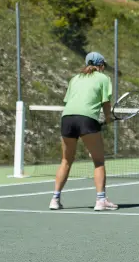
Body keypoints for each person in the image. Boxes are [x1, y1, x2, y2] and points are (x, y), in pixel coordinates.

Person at [49, 51, 118, 211]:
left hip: (67, 119)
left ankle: (55, 199)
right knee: (98, 161)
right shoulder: (103, 78)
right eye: (103, 65)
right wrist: (108, 117)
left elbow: (71, 101)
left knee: (66, 160)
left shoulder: (75, 78)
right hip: (87, 120)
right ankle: (101, 200)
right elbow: (105, 102)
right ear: (101, 66)